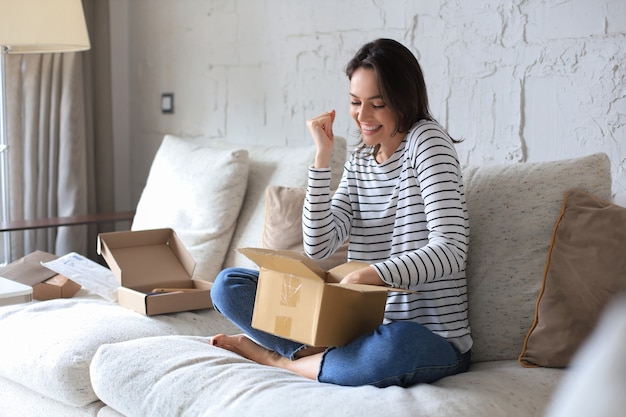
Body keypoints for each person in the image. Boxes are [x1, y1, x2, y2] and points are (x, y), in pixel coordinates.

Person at [210, 38, 472, 388]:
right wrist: (322, 158)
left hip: (430, 337)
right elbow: (318, 247)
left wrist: (372, 275)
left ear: (404, 100)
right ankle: (321, 357)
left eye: (377, 105)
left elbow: (451, 250)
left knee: (395, 347)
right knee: (229, 285)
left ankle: (280, 360)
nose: (362, 116)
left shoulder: (427, 142)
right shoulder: (362, 159)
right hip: (355, 330)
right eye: (354, 102)